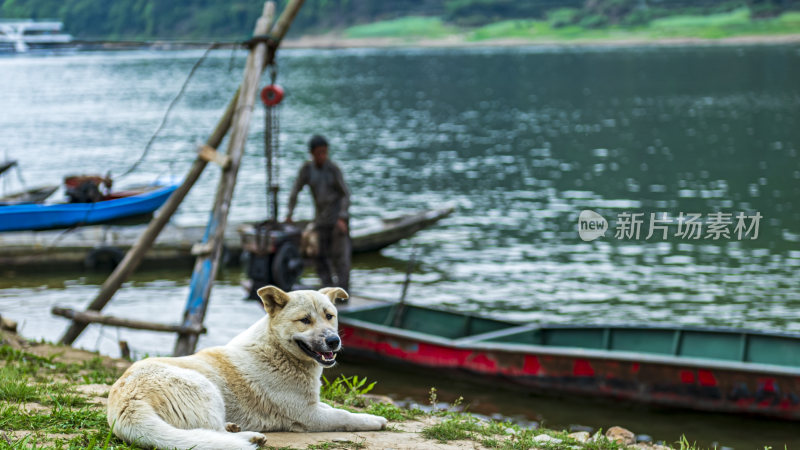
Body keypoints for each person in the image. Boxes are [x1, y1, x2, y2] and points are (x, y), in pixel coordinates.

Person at [285, 135, 351, 291]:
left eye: (325, 152)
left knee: (340, 258)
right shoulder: (307, 170)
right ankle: (327, 289)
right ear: (312, 153)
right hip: (321, 220)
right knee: (319, 256)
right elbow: (295, 191)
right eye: (319, 153)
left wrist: (342, 217)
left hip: (337, 220)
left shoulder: (333, 170)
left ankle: (342, 293)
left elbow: (345, 194)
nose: (322, 156)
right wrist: (289, 214)